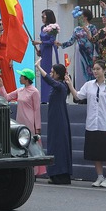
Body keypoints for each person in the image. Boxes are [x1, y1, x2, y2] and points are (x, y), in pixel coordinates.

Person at [68, 60, 106, 188]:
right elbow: (78, 96)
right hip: (92, 123)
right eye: (94, 69)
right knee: (95, 152)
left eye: (98, 69)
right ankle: (99, 177)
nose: (95, 71)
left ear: (104, 71)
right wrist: (69, 84)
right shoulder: (88, 85)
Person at [35, 56, 72, 184]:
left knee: (59, 146)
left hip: (59, 120)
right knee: (54, 145)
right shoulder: (59, 86)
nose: (51, 74)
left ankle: (60, 174)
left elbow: (49, 81)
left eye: (53, 72)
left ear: (58, 74)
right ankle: (55, 173)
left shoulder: (61, 86)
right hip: (54, 119)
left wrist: (39, 67)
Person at [3, 68, 45, 176]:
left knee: (30, 146)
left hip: (30, 122)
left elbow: (36, 110)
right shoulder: (19, 91)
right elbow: (6, 97)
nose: (20, 77)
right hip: (20, 122)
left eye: (21, 76)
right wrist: (1, 85)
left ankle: (34, 172)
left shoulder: (34, 91)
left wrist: (37, 127)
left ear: (26, 79)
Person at [58, 9, 98, 84]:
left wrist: (95, 54)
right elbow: (71, 41)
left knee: (90, 70)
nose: (79, 17)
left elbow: (96, 41)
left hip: (89, 52)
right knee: (80, 70)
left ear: (85, 17)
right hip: (79, 52)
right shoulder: (77, 29)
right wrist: (61, 44)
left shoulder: (92, 27)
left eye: (80, 15)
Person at [34, 10, 60, 103]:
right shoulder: (42, 27)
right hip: (44, 52)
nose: (42, 18)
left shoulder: (54, 27)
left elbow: (51, 41)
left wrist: (39, 42)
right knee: (43, 73)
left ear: (48, 17)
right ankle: (44, 98)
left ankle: (52, 96)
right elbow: (42, 40)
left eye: (43, 16)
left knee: (51, 73)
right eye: (41, 16)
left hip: (50, 51)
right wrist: (40, 50)